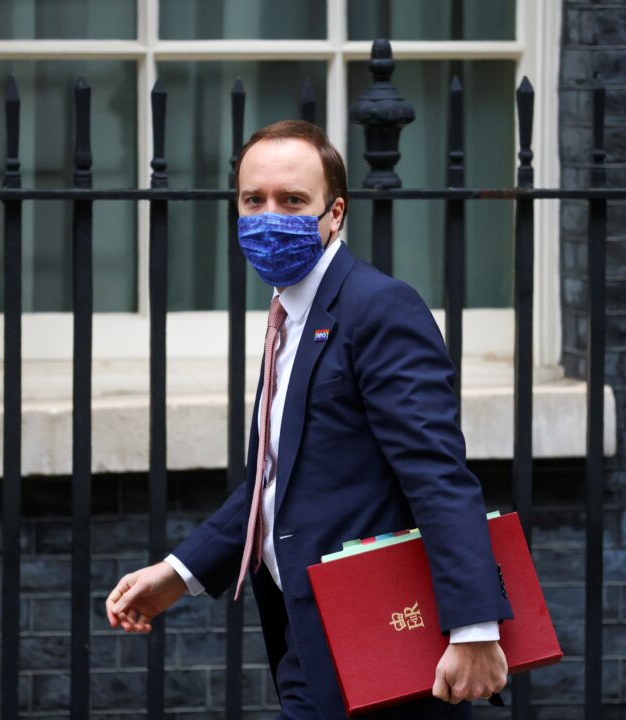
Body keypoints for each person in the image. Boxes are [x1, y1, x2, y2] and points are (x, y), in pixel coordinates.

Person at [105, 120, 512, 719]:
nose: (269, 217)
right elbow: (278, 479)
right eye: (253, 200)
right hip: (310, 636)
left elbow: (436, 473)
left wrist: (475, 629)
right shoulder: (290, 315)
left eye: (293, 200)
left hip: (382, 640)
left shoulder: (379, 308)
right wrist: (180, 571)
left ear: (335, 212)